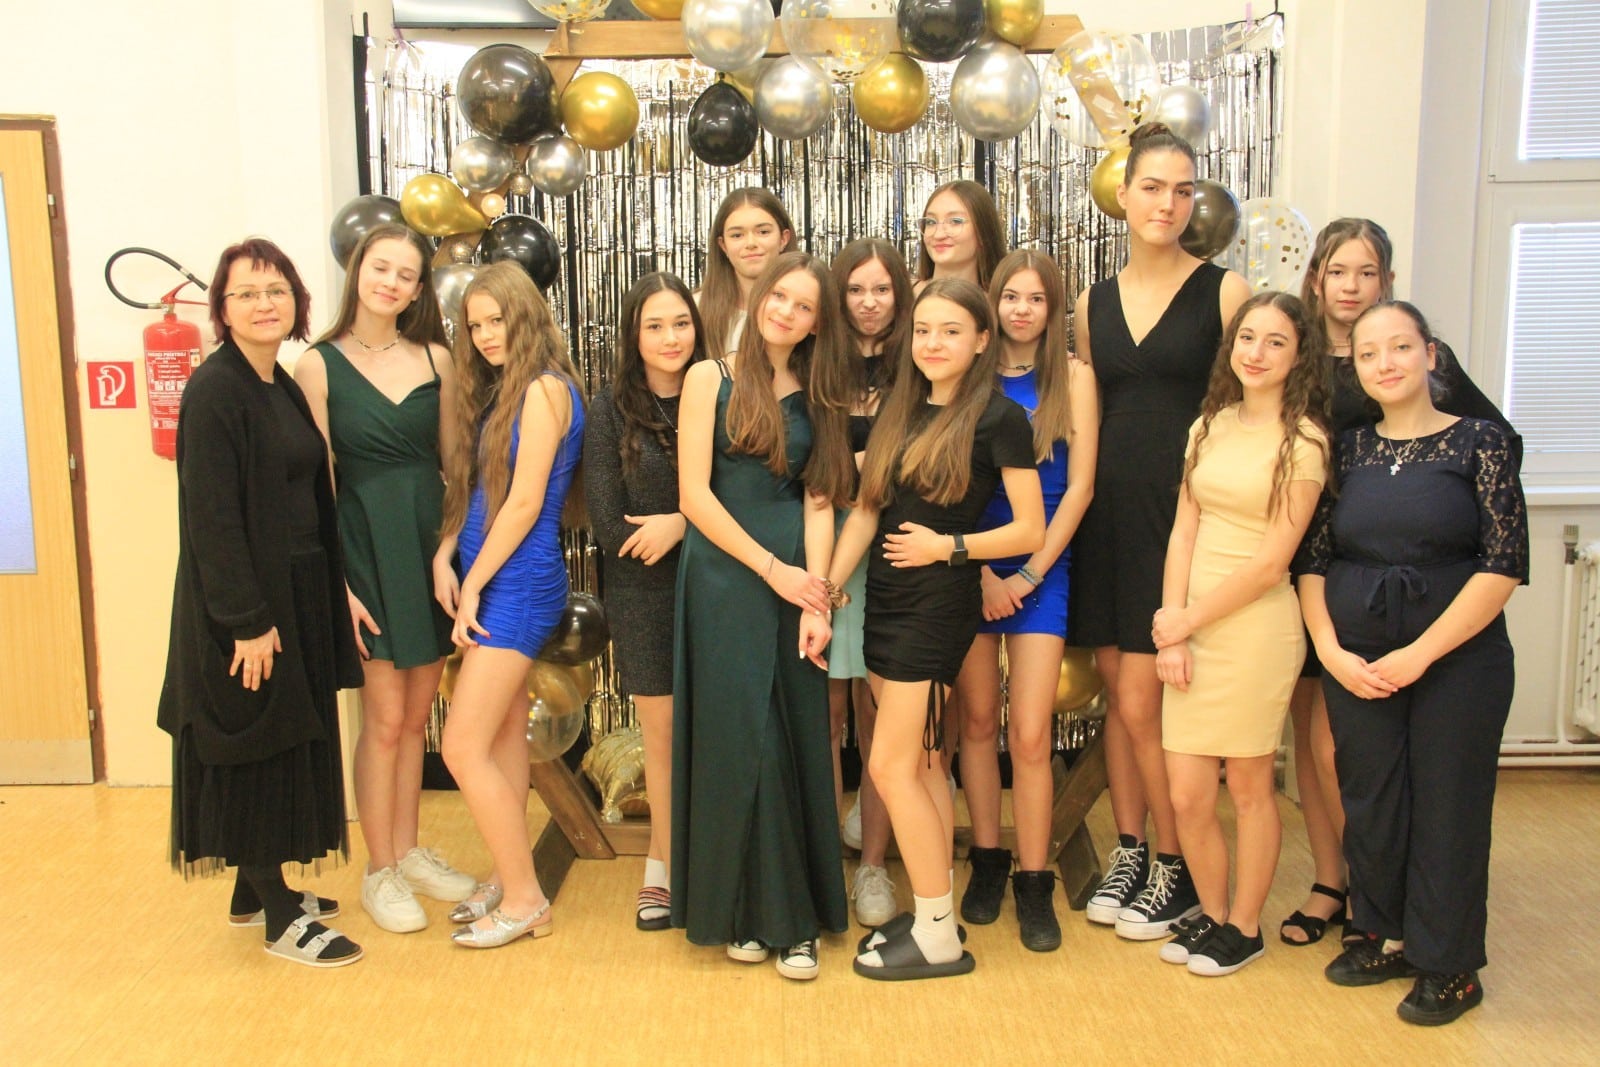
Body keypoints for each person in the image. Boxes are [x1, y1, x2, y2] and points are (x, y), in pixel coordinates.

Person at [1281, 217, 1521, 948]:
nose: (1352, 286)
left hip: (1415, 589)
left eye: (1367, 272)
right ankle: (1337, 882)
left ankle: (1390, 906)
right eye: (1339, 271)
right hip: (1319, 576)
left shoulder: (1429, 379)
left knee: (1380, 759)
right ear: (1316, 279)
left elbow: (1497, 457)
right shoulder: (1299, 357)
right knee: (1331, 750)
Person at [829, 278, 1044, 981]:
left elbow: (1030, 529)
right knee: (920, 766)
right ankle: (933, 916)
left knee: (889, 766)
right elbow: (867, 511)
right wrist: (825, 591)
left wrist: (949, 547)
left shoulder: (999, 418)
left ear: (981, 341)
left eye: (951, 331)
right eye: (923, 330)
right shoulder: (900, 407)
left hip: (938, 606)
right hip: (886, 603)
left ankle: (938, 935)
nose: (933, 343)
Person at [159, 237, 365, 967]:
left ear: (297, 302)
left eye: (276, 290)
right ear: (221, 308)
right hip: (246, 606)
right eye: (246, 292)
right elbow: (211, 520)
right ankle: (281, 917)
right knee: (258, 743)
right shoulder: (215, 390)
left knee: (286, 731)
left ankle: (252, 891)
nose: (264, 303)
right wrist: (246, 622)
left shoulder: (276, 382)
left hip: (297, 587)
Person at [1071, 123, 1252, 939]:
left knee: (1148, 700)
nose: (1168, 204)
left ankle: (1175, 864)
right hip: (1106, 512)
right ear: (1123, 194)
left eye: (1184, 190)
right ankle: (1133, 848)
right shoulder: (1091, 304)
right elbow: (1093, 414)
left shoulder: (1225, 292)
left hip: (1180, 517)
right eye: (1153, 187)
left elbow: (1244, 410)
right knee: (1118, 693)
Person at [671, 252, 855, 981]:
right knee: (738, 743)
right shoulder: (707, 377)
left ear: (817, 323)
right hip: (724, 578)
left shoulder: (821, 394)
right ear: (760, 295)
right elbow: (694, 496)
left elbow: (820, 500)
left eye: (804, 306)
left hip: (796, 582)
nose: (786, 311)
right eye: (780, 295)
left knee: (791, 736)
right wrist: (772, 571)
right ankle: (745, 911)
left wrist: (817, 596)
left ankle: (793, 921)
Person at [295, 223, 475, 935]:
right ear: (357, 270)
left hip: (429, 548)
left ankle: (407, 852)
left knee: (417, 717)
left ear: (419, 288)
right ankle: (380, 869)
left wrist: (448, 551)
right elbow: (318, 486)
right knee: (385, 718)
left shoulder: (437, 357)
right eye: (381, 267)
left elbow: (458, 467)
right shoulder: (316, 366)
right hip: (363, 547)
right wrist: (337, 584)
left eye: (406, 274)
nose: (391, 283)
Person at [1151, 292, 1329, 976]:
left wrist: (1189, 620)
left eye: (1275, 342)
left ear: (1298, 356)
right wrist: (1172, 627)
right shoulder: (1209, 425)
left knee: (1250, 785)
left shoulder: (1304, 441)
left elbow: (1271, 563)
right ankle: (1214, 912)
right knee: (1188, 793)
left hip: (1255, 628)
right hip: (1189, 623)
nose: (1256, 353)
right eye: (1247, 338)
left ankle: (1245, 926)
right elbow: (1183, 531)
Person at [434, 262, 586, 948]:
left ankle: (526, 900)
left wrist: (474, 584)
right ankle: (510, 870)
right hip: (494, 574)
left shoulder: (546, 390)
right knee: (497, 738)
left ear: (525, 317)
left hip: (518, 584)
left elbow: (524, 503)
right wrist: (447, 553)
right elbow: (478, 490)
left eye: (497, 320)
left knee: (461, 746)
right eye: (475, 326)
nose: (487, 335)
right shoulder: (508, 390)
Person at [954, 250, 1098, 952]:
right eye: (1010, 296)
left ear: (1053, 308)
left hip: (1044, 566)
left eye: (1036, 298)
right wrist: (982, 570)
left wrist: (1031, 574)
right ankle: (988, 860)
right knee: (979, 722)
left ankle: (1035, 879)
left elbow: (1080, 487)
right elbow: (951, 479)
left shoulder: (1075, 378)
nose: (1021, 309)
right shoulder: (968, 376)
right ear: (992, 302)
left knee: (1032, 733)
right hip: (973, 562)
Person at [582, 272, 706, 931]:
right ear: (633, 334)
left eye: (680, 323)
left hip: (719, 582)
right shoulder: (609, 409)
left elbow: (745, 499)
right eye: (654, 325)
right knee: (662, 735)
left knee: (716, 728)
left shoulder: (719, 392)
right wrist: (668, 529)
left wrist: (682, 524)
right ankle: (663, 863)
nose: (669, 337)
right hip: (642, 592)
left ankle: (712, 859)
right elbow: (609, 525)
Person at [829, 238, 913, 929]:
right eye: (856, 289)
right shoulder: (818, 363)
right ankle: (824, 857)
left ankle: (875, 866)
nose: (868, 302)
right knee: (822, 714)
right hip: (822, 548)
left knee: (877, 714)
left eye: (882, 288)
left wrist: (862, 467)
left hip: (893, 549)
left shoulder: (917, 363)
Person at [696, 188, 798, 357]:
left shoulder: (806, 309)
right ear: (723, 245)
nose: (751, 243)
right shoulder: (695, 309)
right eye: (737, 235)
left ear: (783, 239)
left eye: (763, 232)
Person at [914, 180, 1006, 292]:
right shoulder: (902, 296)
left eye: (955, 221)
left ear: (983, 231)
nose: (938, 235)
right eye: (931, 222)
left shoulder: (1003, 301)